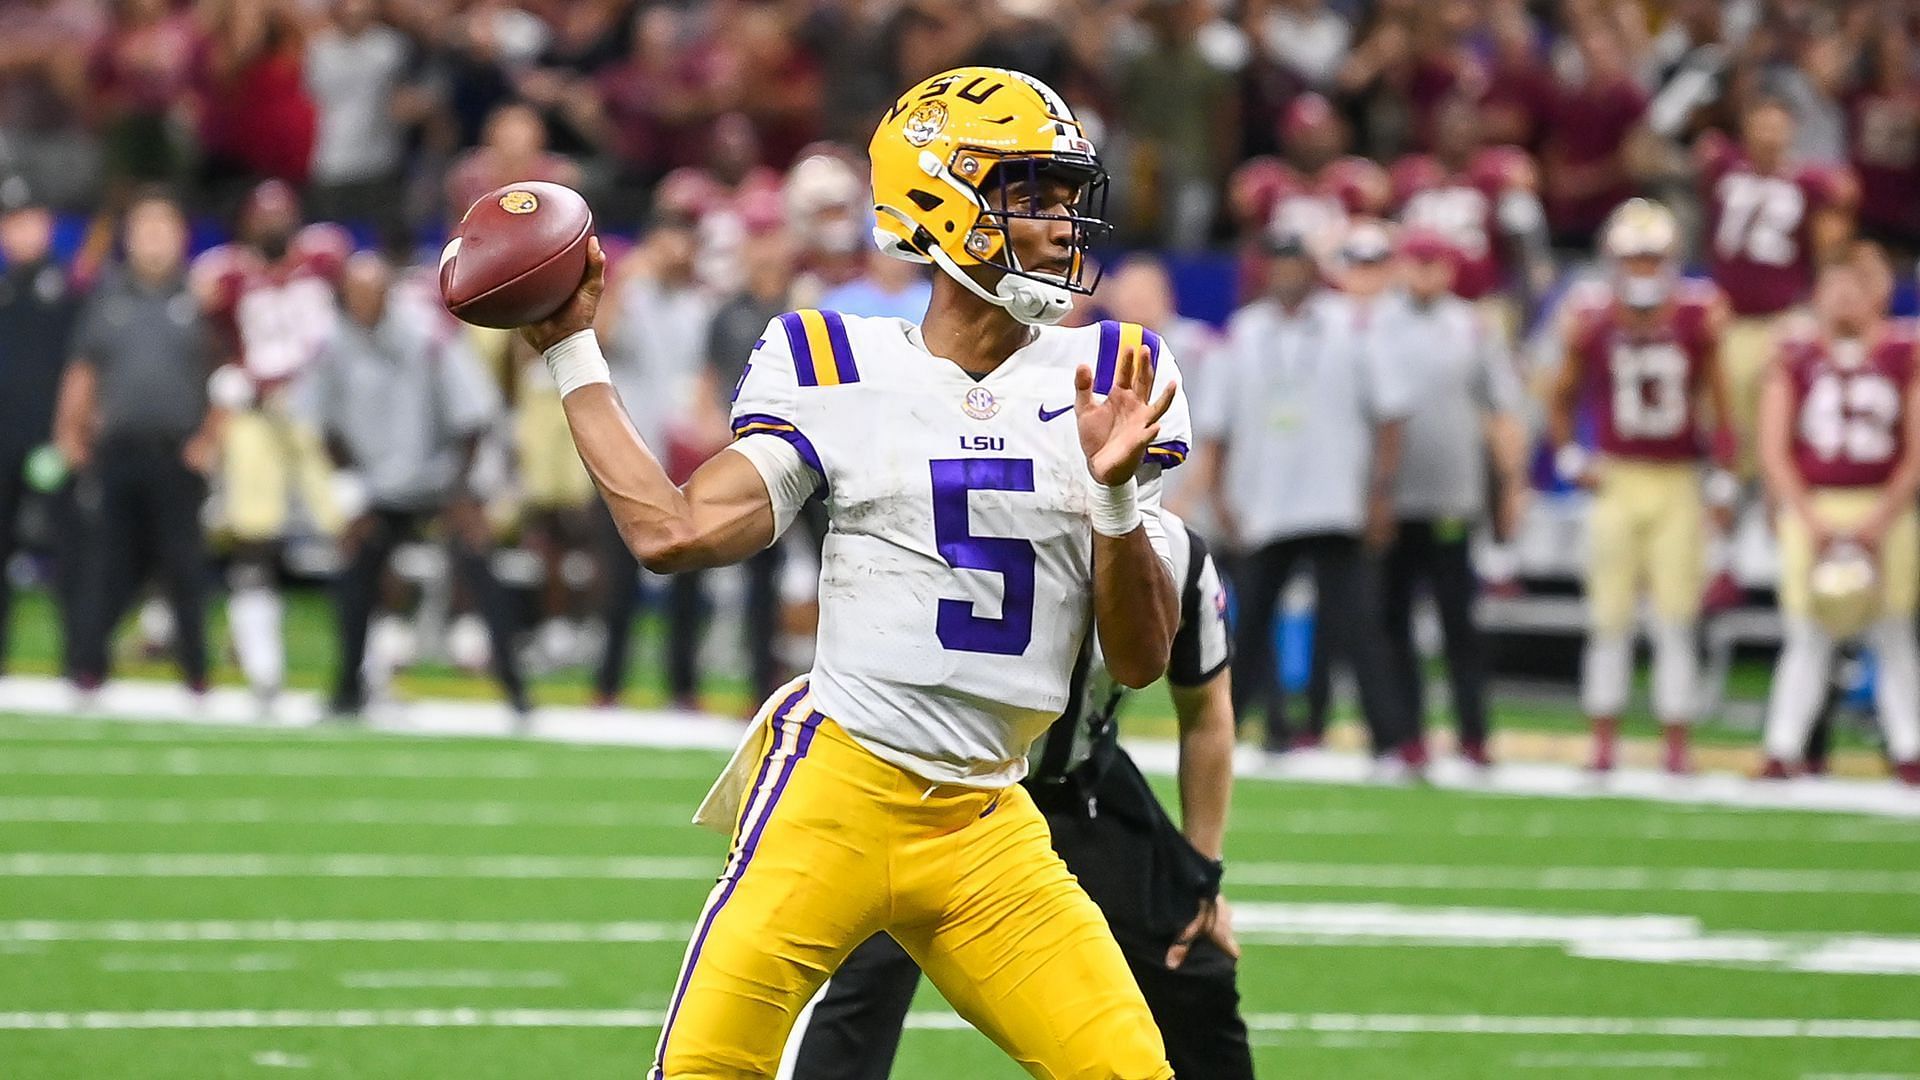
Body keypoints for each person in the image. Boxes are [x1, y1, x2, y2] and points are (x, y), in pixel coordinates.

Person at [523, 67, 1190, 1079]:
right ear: (938, 199)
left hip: (987, 820)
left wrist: (1115, 500)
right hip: (838, 791)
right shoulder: (830, 359)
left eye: (1067, 196)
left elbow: (1139, 663)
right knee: (706, 1069)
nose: (1063, 225)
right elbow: (672, 534)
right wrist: (573, 350)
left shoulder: (1110, 377)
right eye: (1031, 194)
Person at [786, 505, 1252, 1080]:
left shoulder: (1180, 556)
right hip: (943, 789)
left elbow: (1206, 713)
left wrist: (1202, 873)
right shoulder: (956, 522)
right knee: (861, 976)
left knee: (1193, 955)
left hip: (1077, 785)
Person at [1196, 228, 1415, 765]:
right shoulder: (1243, 333)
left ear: (1313, 270)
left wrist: (1380, 493)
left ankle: (1389, 739)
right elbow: (1217, 427)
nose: (1287, 273)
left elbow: (1390, 416)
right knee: (1247, 625)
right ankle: (1226, 730)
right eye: (1279, 263)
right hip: (1264, 501)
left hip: (1335, 499)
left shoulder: (1350, 326)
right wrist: (1222, 496)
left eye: (1296, 263)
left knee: (1359, 624)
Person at [1547, 199, 1736, 775]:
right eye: (1635, 258)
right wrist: (1569, 454)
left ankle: (1675, 741)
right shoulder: (1591, 315)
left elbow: (1720, 399)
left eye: (1653, 258)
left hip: (1678, 477)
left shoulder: (1698, 313)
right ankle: (1603, 738)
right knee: (1609, 617)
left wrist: (1723, 474)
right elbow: (1559, 393)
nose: (1644, 270)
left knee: (1676, 619)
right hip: (1617, 474)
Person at [316, 253, 527, 721]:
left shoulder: (429, 338)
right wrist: (353, 491)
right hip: (378, 487)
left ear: (389, 295)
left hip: (439, 478)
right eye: (354, 294)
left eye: (371, 294)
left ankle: (516, 690)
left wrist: (461, 491)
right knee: (353, 569)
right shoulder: (332, 343)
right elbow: (324, 426)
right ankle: (346, 689)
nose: (363, 305)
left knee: (480, 565)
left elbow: (473, 419)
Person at [1756, 258, 1920, 785]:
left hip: (1882, 501)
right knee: (1805, 631)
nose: (1844, 299)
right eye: (1835, 287)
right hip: (1815, 500)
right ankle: (1783, 747)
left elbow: (1915, 451)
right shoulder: (1795, 354)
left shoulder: (1903, 353)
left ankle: (1909, 749)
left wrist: (1881, 517)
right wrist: (1807, 516)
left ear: (1877, 294)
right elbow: (1773, 447)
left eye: (1856, 287)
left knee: (1892, 630)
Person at [190, 179, 350, 710]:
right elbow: (206, 339)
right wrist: (228, 381)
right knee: (254, 535)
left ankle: (365, 661)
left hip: (320, 412)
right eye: (264, 214)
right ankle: (262, 665)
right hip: (256, 413)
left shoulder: (326, 256)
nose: (275, 223)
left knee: (350, 528)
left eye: (283, 212)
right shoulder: (226, 274)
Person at [1375, 228, 1530, 767]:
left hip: (1452, 498)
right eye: (1416, 262)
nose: (1425, 275)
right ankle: (1408, 734)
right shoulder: (1375, 323)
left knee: (1458, 620)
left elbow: (1502, 410)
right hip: (1391, 500)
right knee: (1394, 621)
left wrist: (1512, 484)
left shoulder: (1471, 327)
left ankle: (1474, 732)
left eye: (1434, 263)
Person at [55, 191, 220, 696]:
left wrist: (210, 438)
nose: (152, 239)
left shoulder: (201, 298)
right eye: (143, 229)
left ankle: (196, 673)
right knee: (105, 562)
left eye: (161, 228)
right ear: (128, 239)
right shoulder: (109, 298)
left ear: (180, 237)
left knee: (184, 564)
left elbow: (224, 374)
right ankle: (86, 668)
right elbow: (84, 369)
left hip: (177, 452)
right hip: (118, 449)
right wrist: (69, 429)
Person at [592, 208, 720, 709]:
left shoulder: (702, 306)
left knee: (689, 578)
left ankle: (683, 688)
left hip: (685, 458)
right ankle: (607, 685)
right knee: (617, 579)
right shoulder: (632, 294)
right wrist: (627, 275)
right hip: (629, 455)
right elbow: (600, 338)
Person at [1696, 98, 1856, 482]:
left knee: (1782, 407)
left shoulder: (1807, 182)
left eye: (1777, 126)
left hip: (1783, 315)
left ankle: (1775, 490)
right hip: (1732, 314)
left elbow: (1846, 200)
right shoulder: (1724, 167)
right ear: (1746, 129)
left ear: (1792, 133)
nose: (1769, 135)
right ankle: (1728, 487)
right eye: (1761, 125)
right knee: (1722, 406)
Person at [0, 172, 81, 672]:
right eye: (11, 222)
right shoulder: (3, 291)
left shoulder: (73, 289)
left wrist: (72, 435)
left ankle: (81, 661)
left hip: (56, 439)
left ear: (47, 225)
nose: (20, 231)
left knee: (73, 554)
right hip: (4, 440)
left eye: (28, 219)